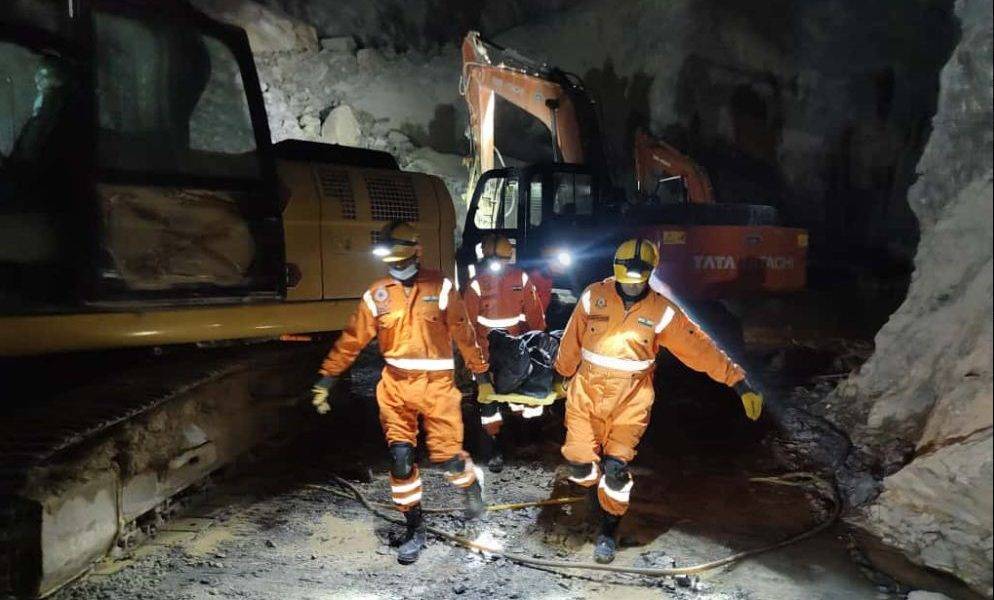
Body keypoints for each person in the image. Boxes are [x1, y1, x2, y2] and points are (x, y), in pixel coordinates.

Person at [554, 238, 763, 564]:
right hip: (586, 393)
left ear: (649, 274)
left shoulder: (662, 312)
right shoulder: (594, 296)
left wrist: (738, 382)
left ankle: (608, 530)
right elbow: (572, 338)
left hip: (631, 400)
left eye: (638, 282)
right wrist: (560, 373)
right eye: (626, 281)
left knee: (616, 471)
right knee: (581, 463)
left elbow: (699, 348)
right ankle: (593, 490)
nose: (631, 287)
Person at [311, 221, 491, 565]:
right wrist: (327, 378)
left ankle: (470, 487)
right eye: (390, 260)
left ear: (416, 252)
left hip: (437, 386)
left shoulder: (440, 287)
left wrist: (481, 376)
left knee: (448, 458)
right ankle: (414, 526)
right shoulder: (377, 294)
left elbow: (464, 333)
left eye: (401, 258)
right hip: (395, 386)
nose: (395, 265)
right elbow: (352, 339)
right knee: (400, 458)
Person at [463, 233, 546, 472]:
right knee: (488, 404)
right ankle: (492, 449)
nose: (497, 265)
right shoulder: (476, 284)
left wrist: (540, 348)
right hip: (486, 355)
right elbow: (466, 328)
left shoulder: (520, 278)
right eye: (493, 260)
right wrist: (477, 368)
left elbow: (535, 317)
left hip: (515, 354)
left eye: (501, 260)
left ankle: (525, 442)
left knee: (523, 399)